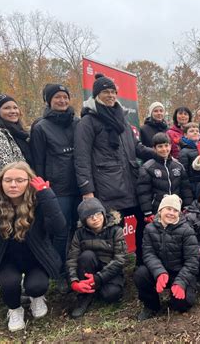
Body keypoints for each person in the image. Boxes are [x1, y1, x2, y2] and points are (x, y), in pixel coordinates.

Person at [74, 73, 153, 264]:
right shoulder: (88, 122)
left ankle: (142, 263)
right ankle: (112, 270)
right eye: (105, 92)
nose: (110, 95)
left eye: (113, 91)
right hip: (108, 187)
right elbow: (81, 157)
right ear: (96, 95)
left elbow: (136, 147)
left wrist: (157, 153)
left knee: (143, 223)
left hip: (132, 183)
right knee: (114, 230)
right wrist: (87, 190)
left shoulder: (122, 120)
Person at [0, 162, 64, 332]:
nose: (13, 185)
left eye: (20, 180)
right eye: (8, 180)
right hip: (7, 260)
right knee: (9, 284)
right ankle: (14, 309)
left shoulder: (39, 200)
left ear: (28, 182)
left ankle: (36, 297)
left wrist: (48, 196)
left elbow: (59, 227)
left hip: (36, 258)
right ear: (0, 182)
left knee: (36, 286)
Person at [30, 84, 80, 292]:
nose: (62, 101)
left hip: (79, 183)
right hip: (57, 187)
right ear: (49, 101)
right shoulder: (41, 127)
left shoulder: (77, 122)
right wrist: (42, 189)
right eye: (57, 97)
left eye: (65, 97)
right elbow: (38, 160)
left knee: (79, 228)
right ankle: (58, 271)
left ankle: (76, 267)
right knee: (61, 231)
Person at [133, 194, 199, 321]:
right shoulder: (149, 228)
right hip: (159, 271)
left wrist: (181, 282)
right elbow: (148, 253)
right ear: (160, 210)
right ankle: (151, 306)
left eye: (175, 210)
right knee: (140, 274)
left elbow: (192, 261)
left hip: (179, 273)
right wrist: (159, 272)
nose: (171, 213)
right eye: (168, 209)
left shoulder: (187, 230)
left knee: (182, 304)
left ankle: (181, 292)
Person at [67, 198, 127, 318]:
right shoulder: (79, 233)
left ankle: (99, 289)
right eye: (90, 217)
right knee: (86, 256)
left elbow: (120, 260)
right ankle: (84, 296)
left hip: (109, 271)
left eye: (98, 214)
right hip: (88, 269)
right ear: (84, 220)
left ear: (103, 214)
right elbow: (72, 258)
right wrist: (73, 281)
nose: (95, 219)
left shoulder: (116, 230)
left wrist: (98, 278)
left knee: (111, 295)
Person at [137, 132, 193, 223]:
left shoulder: (178, 166)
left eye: (166, 145)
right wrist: (148, 212)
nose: (164, 149)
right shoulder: (147, 168)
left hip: (176, 210)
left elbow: (185, 188)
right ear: (154, 148)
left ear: (170, 146)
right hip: (157, 211)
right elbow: (144, 192)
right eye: (160, 146)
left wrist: (187, 206)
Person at [0, 94, 32, 178]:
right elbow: (6, 169)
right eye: (7, 108)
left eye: (15, 108)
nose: (13, 111)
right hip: (9, 186)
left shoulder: (18, 132)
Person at [179, 122, 200, 195]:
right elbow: (184, 174)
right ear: (185, 135)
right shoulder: (184, 152)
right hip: (192, 186)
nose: (195, 133)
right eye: (192, 131)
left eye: (197, 131)